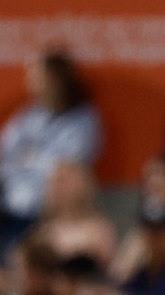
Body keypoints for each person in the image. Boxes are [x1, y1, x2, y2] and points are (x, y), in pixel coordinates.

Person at [0, 47, 102, 261]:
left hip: (45, 215)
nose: (30, 81)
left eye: (36, 75)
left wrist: (28, 160)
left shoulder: (84, 119)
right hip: (8, 208)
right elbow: (5, 154)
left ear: (54, 78)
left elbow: (65, 168)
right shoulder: (29, 116)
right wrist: (31, 162)